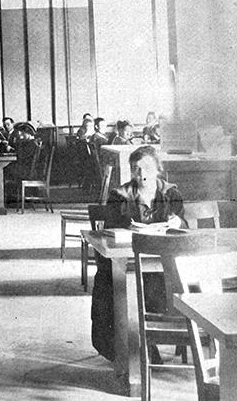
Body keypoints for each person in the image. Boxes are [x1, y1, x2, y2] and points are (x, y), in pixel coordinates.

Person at [91, 146, 186, 361]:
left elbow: (184, 225)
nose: (142, 174)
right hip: (131, 262)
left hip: (165, 265)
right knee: (114, 285)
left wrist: (177, 221)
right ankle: (137, 350)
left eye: (147, 168)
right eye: (136, 169)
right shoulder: (120, 196)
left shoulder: (171, 194)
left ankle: (155, 341)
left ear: (158, 169)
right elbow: (110, 232)